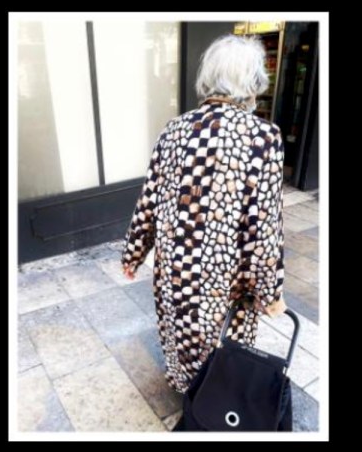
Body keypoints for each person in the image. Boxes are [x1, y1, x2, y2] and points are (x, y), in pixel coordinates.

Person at [121, 33, 285, 393]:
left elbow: (148, 198)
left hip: (175, 267)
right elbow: (264, 226)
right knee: (225, 343)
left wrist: (133, 253)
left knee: (179, 333)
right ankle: (217, 404)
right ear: (253, 81)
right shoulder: (263, 136)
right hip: (225, 274)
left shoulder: (175, 129)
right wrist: (270, 291)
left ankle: (188, 390)